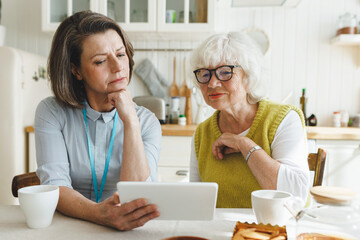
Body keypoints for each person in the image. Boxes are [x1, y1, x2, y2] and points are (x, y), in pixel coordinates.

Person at [34, 11, 161, 230]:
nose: (117, 66)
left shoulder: (147, 122)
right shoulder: (51, 112)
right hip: (69, 228)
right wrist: (99, 214)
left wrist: (130, 121)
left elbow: (136, 196)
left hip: (128, 230)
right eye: (100, 60)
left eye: (120, 55)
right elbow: (55, 186)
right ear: (76, 70)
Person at [189, 32, 310, 208]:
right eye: (204, 74)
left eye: (224, 72)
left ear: (248, 76)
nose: (212, 83)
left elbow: (296, 193)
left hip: (275, 232)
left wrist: (244, 145)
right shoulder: (202, 133)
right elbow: (196, 202)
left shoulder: (283, 119)